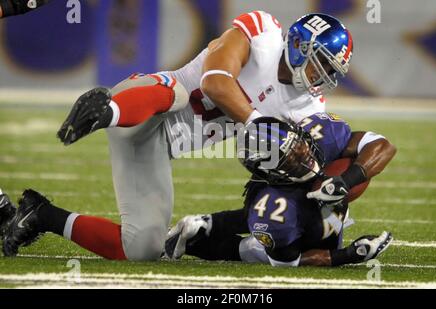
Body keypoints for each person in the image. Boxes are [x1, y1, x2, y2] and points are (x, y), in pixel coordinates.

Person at [2, 13, 354, 261]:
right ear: (298, 45)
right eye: (318, 64)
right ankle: (107, 111)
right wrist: (258, 121)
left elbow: (328, 151)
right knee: (180, 94)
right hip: (145, 98)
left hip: (153, 145)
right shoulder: (262, 32)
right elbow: (214, 81)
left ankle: (40, 214)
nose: (320, 78)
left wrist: (335, 183)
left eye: (328, 72)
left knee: (141, 249)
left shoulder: (307, 105)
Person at [165, 115, 397, 267]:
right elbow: (290, 263)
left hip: (305, 199)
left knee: (323, 219)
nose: (304, 156)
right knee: (252, 249)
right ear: (274, 173)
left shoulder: (320, 136)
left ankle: (205, 223)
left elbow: (382, 146)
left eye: (298, 145)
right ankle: (195, 242)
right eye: (291, 160)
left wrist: (347, 179)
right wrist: (347, 255)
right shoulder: (275, 207)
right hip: (283, 208)